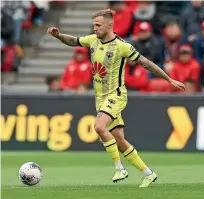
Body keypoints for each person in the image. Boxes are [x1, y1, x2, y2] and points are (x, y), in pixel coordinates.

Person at [47, 9, 185, 187]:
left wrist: (169, 79)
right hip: (100, 98)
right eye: (94, 25)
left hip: (116, 95)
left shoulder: (122, 46)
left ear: (109, 25)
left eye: (98, 25)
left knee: (98, 126)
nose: (95, 28)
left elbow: (146, 63)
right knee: (119, 140)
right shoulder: (92, 40)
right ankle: (148, 173)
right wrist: (58, 36)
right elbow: (73, 41)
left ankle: (119, 168)